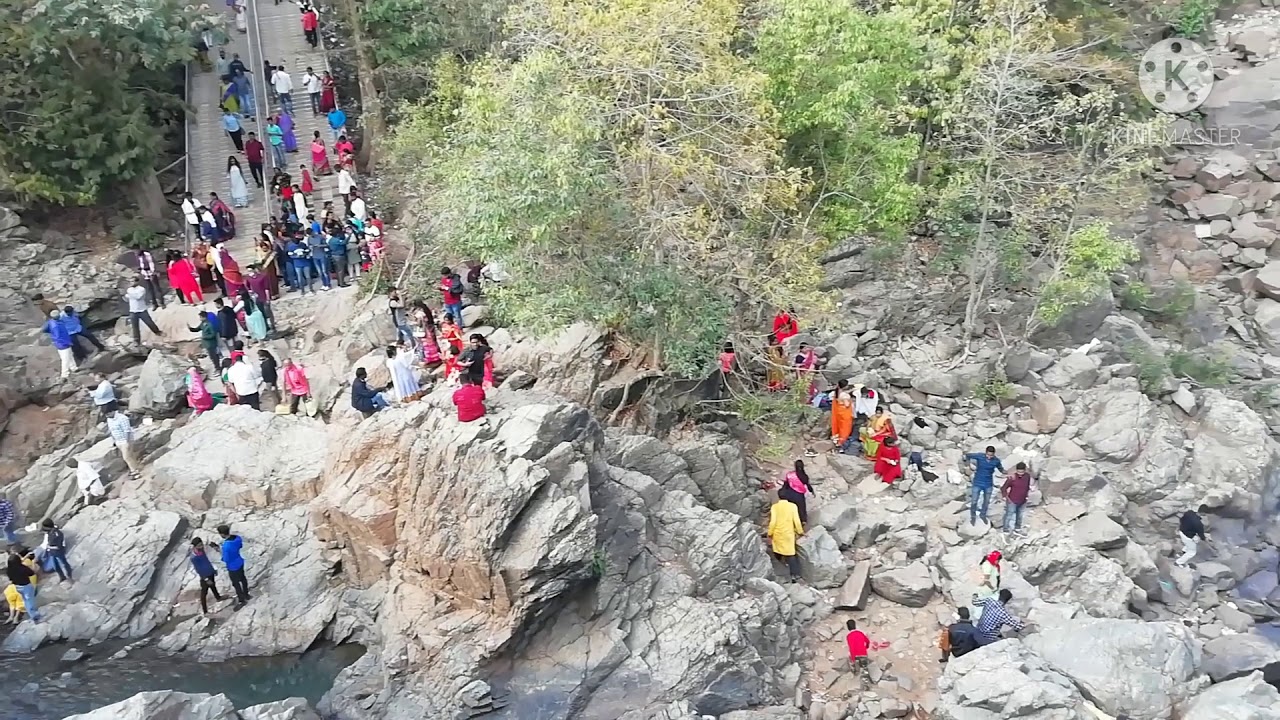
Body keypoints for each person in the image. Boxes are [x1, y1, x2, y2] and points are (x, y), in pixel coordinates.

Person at [766, 489, 803, 581]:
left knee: (777, 550)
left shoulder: (775, 507)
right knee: (791, 554)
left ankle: (780, 567)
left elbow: (773, 522)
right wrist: (800, 531)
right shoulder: (793, 506)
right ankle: (795, 575)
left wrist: (770, 533)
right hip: (788, 534)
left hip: (778, 533)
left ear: (779, 496)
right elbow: (797, 521)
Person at [964, 446, 1004, 526]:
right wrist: (968, 465)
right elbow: (968, 455)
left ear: (994, 454)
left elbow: (1001, 469)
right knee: (974, 501)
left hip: (988, 484)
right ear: (985, 453)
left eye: (991, 455)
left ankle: (983, 515)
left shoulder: (996, 461)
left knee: (986, 501)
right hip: (977, 482)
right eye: (988, 455)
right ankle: (973, 516)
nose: (989, 457)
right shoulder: (980, 456)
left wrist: (1008, 473)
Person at [213, 524, 250, 609]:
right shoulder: (237, 538)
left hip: (233, 567)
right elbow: (240, 546)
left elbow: (226, 559)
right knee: (243, 579)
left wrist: (219, 550)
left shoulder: (226, 546)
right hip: (240, 561)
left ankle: (241, 600)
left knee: (236, 583)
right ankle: (246, 594)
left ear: (222, 534)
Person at [189, 538, 224, 615]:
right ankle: (205, 611)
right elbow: (198, 569)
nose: (201, 546)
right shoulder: (194, 557)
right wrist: (205, 578)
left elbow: (207, 561)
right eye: (199, 546)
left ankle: (218, 597)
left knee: (213, 585)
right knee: (204, 592)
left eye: (201, 544)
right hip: (204, 576)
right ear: (195, 546)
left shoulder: (202, 551)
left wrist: (213, 570)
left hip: (210, 571)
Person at [106, 407, 142, 478]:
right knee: (130, 456)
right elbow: (111, 430)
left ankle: (134, 472)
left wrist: (127, 442)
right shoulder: (109, 419)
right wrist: (114, 441)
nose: (107, 416)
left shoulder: (122, 418)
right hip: (118, 441)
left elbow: (127, 431)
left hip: (125, 440)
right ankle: (136, 468)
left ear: (113, 411)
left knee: (126, 457)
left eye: (108, 413)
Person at [6, 548, 40, 623]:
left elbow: (10, 579)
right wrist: (33, 563)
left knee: (25, 600)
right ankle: (34, 616)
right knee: (29, 601)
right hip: (26, 586)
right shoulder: (22, 568)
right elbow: (32, 573)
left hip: (18, 587)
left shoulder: (9, 570)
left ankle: (16, 616)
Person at [43, 309, 77, 378]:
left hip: (60, 342)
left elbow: (44, 329)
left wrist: (51, 332)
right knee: (65, 358)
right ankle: (64, 374)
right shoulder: (56, 326)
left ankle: (73, 367)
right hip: (63, 343)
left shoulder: (51, 322)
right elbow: (58, 337)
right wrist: (67, 342)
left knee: (69, 355)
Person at [1001, 462, 1032, 535]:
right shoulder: (1012, 478)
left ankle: (1017, 528)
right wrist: (1005, 497)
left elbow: (1027, 486)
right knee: (1009, 515)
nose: (1020, 473)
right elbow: (1003, 488)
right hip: (1012, 500)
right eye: (1018, 472)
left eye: (1022, 472)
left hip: (1023, 500)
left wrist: (1027, 496)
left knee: (1020, 515)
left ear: (1025, 470)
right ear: (1016, 470)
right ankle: (1005, 529)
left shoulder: (1027, 476)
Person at [829, 381, 854, 453]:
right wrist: (851, 401)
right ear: (845, 386)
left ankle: (836, 439)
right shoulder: (844, 395)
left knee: (840, 426)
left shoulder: (837, 392)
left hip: (839, 412)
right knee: (845, 428)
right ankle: (841, 443)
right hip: (844, 413)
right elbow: (846, 404)